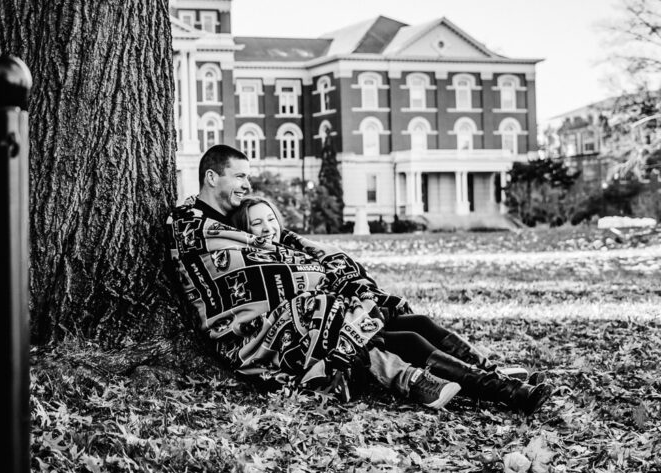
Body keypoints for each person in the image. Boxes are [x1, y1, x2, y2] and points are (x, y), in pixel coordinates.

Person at [165, 144, 461, 409]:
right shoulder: (192, 224)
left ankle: (477, 372)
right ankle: (410, 379)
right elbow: (260, 263)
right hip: (245, 337)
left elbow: (282, 246)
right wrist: (315, 275)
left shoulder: (228, 217)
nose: (246, 184)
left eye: (247, 177)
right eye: (239, 176)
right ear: (212, 177)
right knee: (323, 309)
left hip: (283, 317)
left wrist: (333, 270)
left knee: (394, 321)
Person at [230, 193, 553, 416]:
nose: (268, 227)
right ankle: (509, 391)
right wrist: (351, 312)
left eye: (270, 219)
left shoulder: (292, 247)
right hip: (333, 336)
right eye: (257, 223)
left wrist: (362, 301)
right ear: (245, 230)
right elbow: (294, 309)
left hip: (355, 316)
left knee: (419, 323)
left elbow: (336, 271)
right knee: (410, 340)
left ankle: (493, 374)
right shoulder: (256, 262)